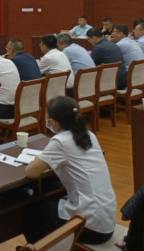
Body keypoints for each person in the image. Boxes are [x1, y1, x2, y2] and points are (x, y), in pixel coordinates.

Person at [23, 96, 116, 245]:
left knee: (32, 209)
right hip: (106, 220)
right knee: (52, 198)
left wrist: (40, 159)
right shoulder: (89, 135)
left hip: (90, 227)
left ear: (52, 122)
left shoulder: (60, 141)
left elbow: (31, 172)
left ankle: (41, 247)